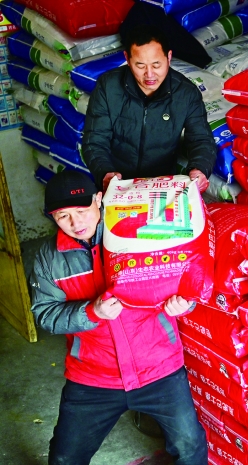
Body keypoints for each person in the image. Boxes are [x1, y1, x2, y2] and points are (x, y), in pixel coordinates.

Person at [30, 170, 207, 465]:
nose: (76, 223)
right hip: (93, 375)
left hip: (159, 366)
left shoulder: (138, 231)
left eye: (81, 210)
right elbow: (45, 314)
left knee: (190, 446)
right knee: (64, 457)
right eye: (63, 216)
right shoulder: (49, 258)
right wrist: (91, 312)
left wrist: (184, 304)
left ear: (98, 199)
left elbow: (181, 275)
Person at [82, 24, 216, 194]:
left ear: (169, 57)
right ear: (127, 59)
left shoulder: (186, 93)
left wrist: (200, 168)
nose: (150, 74)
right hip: (116, 185)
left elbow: (201, 139)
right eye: (140, 65)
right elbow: (94, 140)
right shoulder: (108, 87)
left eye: (156, 64)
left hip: (162, 187)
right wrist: (105, 173)